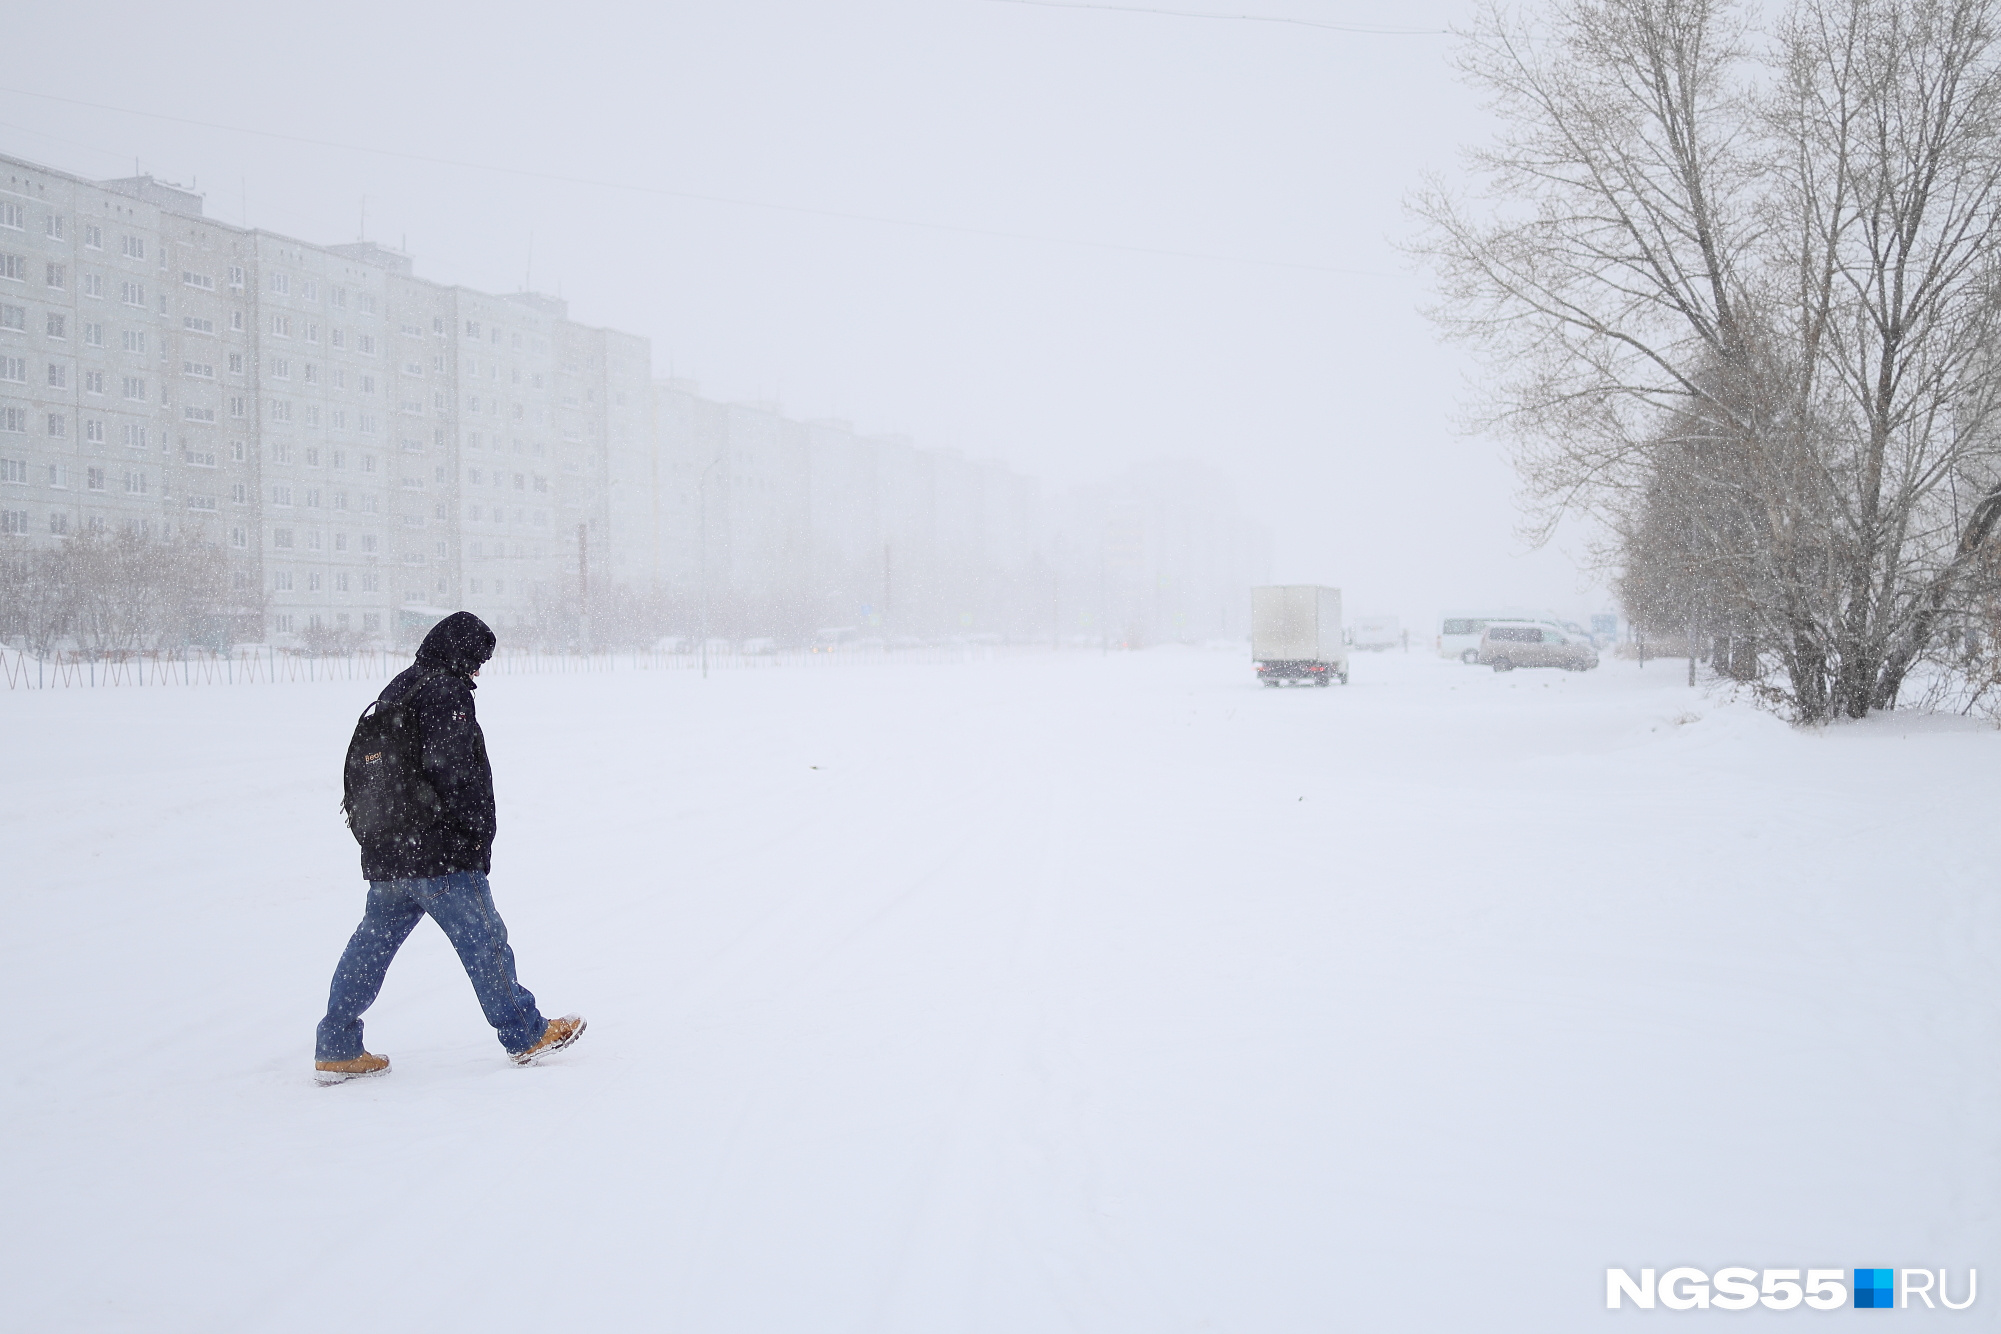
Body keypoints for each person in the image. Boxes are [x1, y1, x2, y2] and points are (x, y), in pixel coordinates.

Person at [314, 611, 584, 1083]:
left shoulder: (400, 687)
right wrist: (472, 839)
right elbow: (456, 771)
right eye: (478, 659)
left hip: (389, 851)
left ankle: (336, 1044)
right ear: (461, 653)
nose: (479, 671)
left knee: (370, 948)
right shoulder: (446, 693)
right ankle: (524, 1033)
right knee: (484, 942)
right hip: (437, 852)